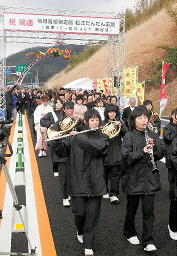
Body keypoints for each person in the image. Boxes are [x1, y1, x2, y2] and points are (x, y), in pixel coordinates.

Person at [53, 109, 109, 256]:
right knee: (79, 213)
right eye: (92, 120)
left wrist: (77, 137)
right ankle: (80, 229)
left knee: (92, 215)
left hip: (96, 182)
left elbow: (97, 148)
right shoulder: (74, 136)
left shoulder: (103, 136)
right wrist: (57, 139)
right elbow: (61, 152)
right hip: (77, 182)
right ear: (86, 121)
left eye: (97, 120)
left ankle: (88, 245)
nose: (95, 122)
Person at [121, 106, 164, 252]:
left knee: (149, 211)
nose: (143, 120)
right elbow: (126, 157)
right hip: (133, 178)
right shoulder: (129, 136)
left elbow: (160, 155)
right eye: (140, 118)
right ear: (133, 120)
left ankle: (148, 241)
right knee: (131, 210)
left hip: (150, 179)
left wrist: (155, 147)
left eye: (145, 117)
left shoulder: (152, 134)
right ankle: (129, 232)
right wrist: (142, 152)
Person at [103, 104, 127, 203]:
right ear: (106, 113)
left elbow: (126, 134)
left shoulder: (120, 122)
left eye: (114, 112)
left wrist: (121, 125)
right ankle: (105, 190)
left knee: (115, 174)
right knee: (103, 173)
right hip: (104, 151)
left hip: (116, 151)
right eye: (110, 112)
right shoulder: (102, 123)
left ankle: (114, 194)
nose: (112, 114)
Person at [163, 108, 177, 240]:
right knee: (171, 180)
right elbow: (167, 138)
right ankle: (172, 193)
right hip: (170, 158)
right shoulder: (168, 127)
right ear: (172, 116)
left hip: (175, 158)